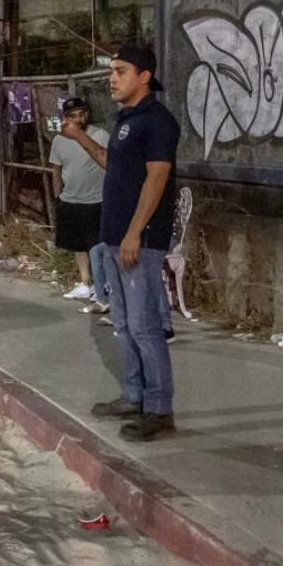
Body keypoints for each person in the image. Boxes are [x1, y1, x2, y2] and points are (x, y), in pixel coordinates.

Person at [61, 45, 180, 442]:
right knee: (126, 324)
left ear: (144, 76)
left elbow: (157, 177)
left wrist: (134, 232)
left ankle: (160, 409)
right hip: (114, 238)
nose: (113, 78)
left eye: (121, 71)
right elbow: (113, 165)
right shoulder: (126, 120)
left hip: (139, 240)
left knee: (146, 326)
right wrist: (78, 137)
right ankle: (134, 396)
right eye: (112, 71)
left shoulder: (157, 121)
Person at [49, 97, 109, 303]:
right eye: (72, 115)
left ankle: (102, 287)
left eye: (82, 113)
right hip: (70, 200)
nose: (78, 118)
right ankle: (85, 283)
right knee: (78, 245)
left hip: (95, 200)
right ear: (65, 118)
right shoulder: (59, 140)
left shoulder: (100, 136)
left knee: (96, 245)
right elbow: (56, 171)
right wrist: (58, 197)